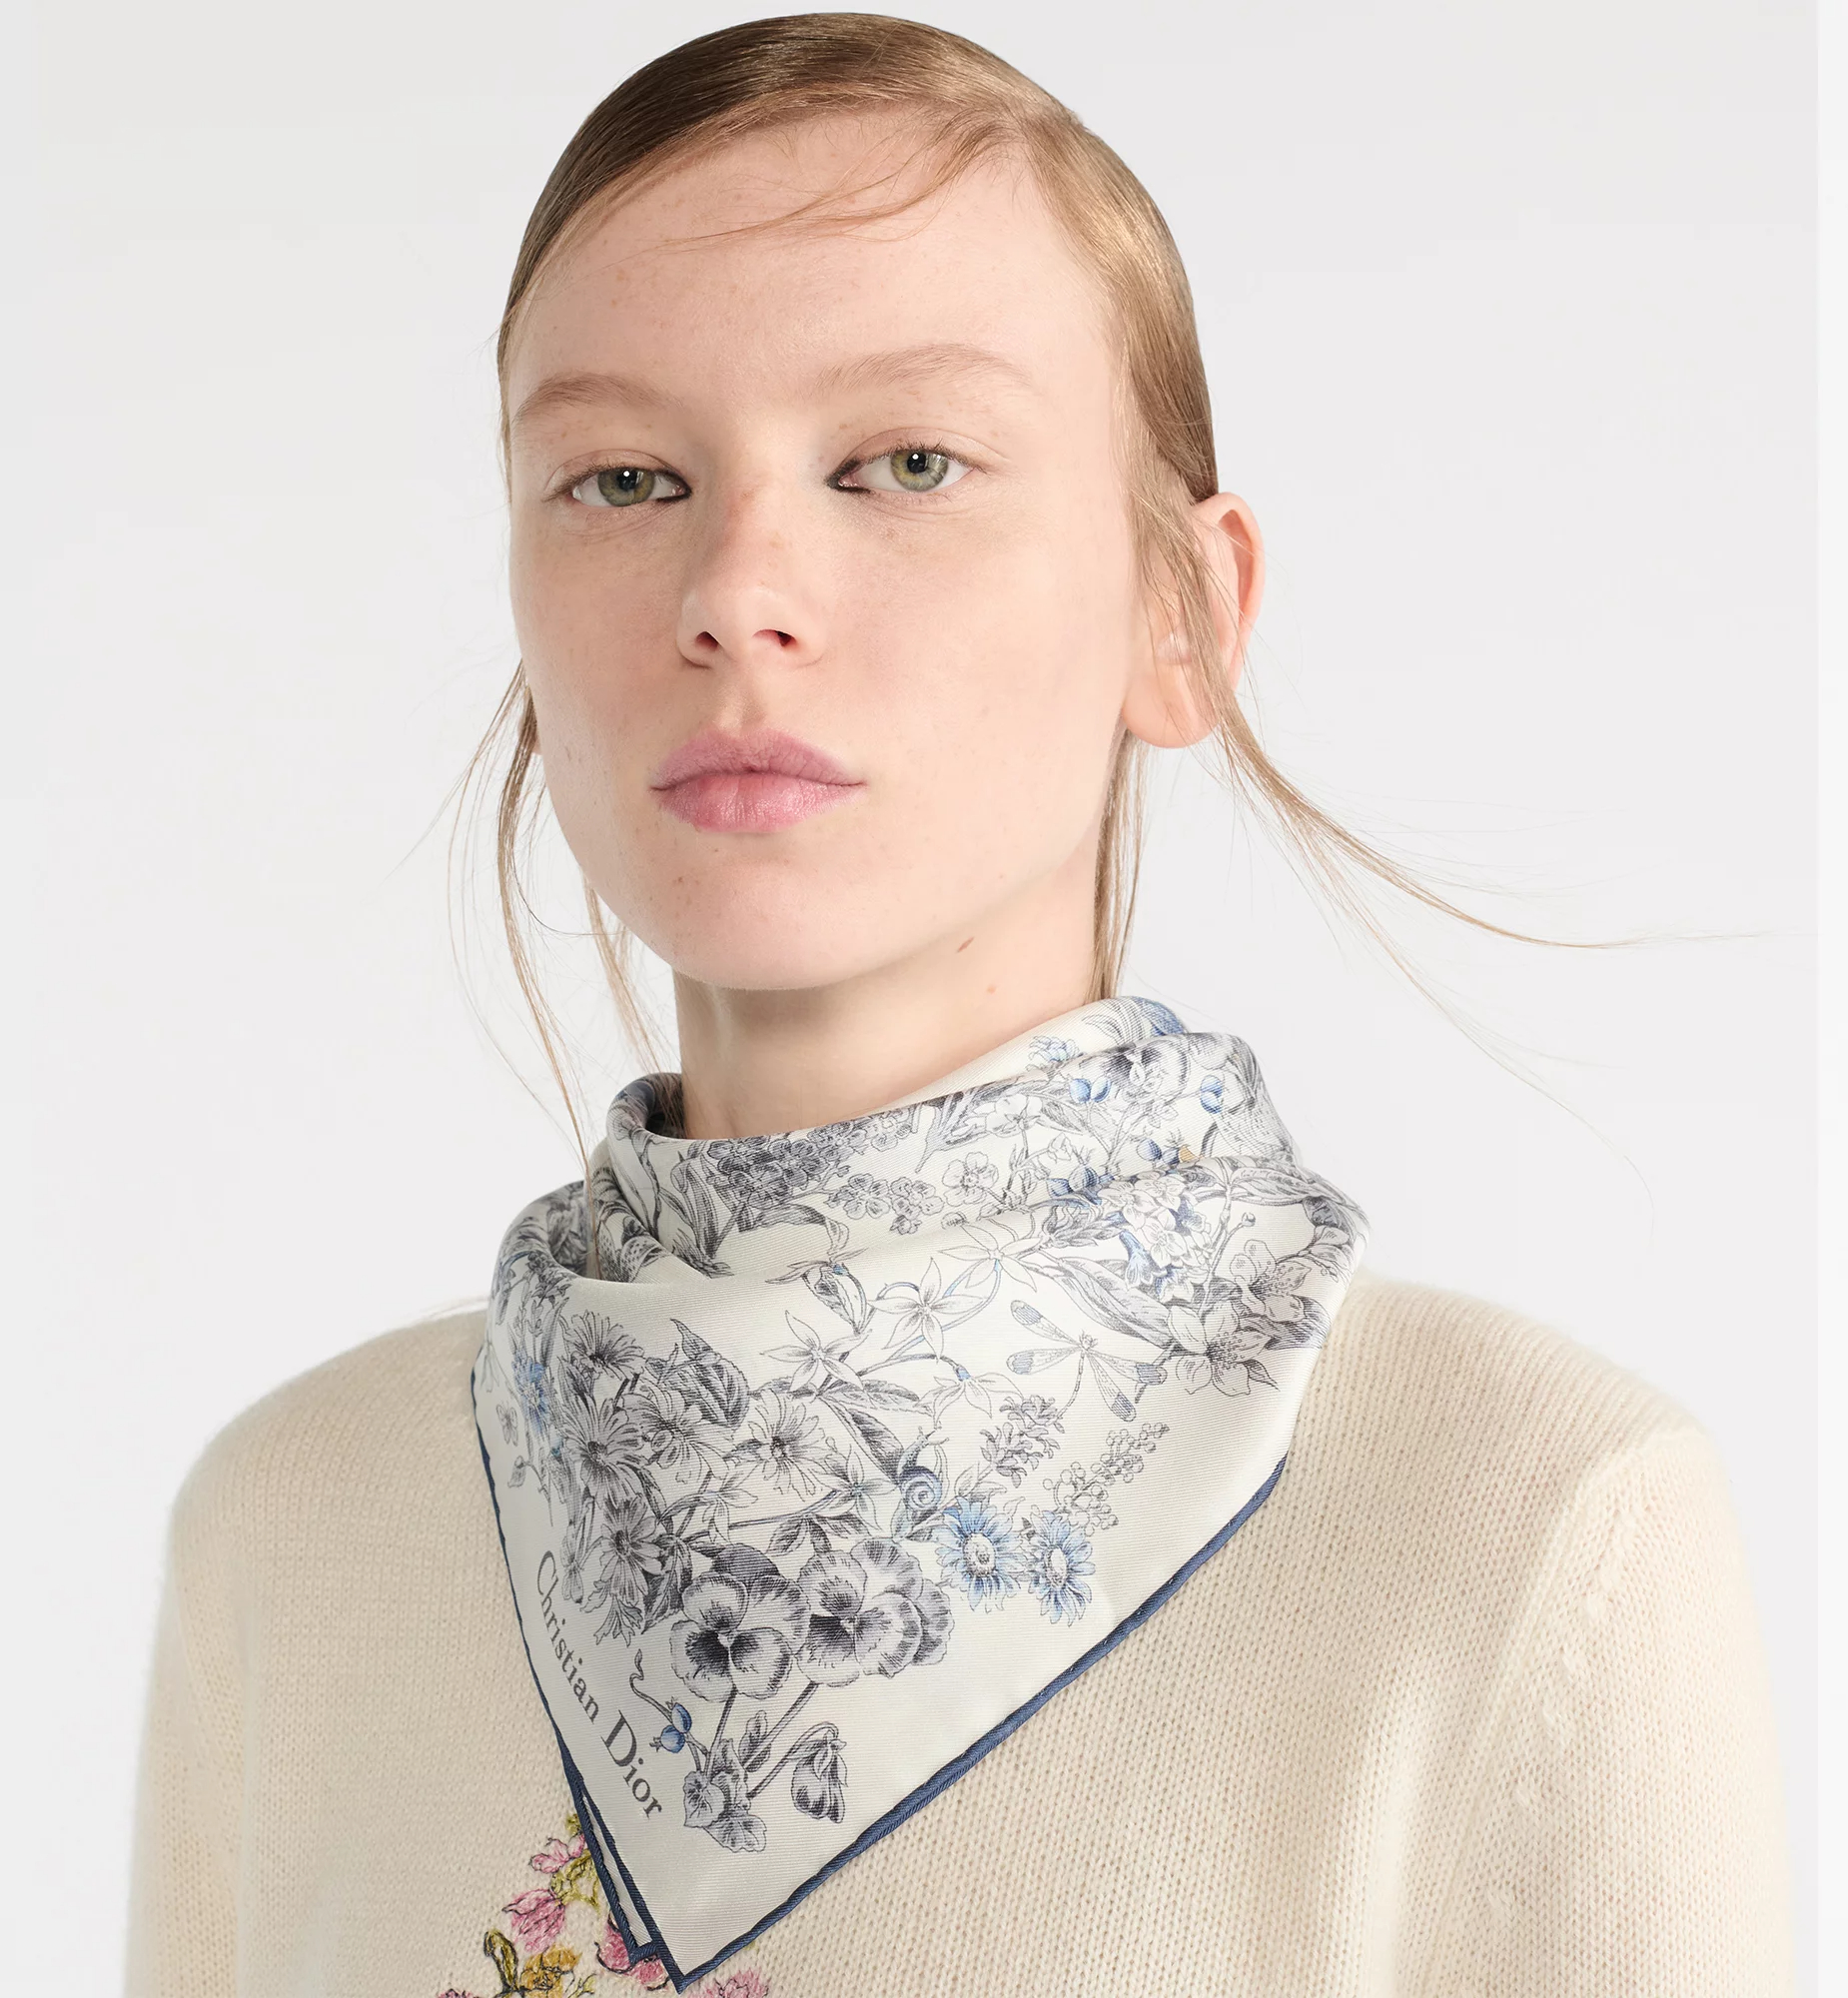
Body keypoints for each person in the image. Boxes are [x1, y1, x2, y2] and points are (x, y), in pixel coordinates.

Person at [124, 15, 1796, 1996]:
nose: (734, 589)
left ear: (1182, 613)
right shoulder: (292, 1534)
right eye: (623, 477)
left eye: (905, 462)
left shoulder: (1530, 1527)